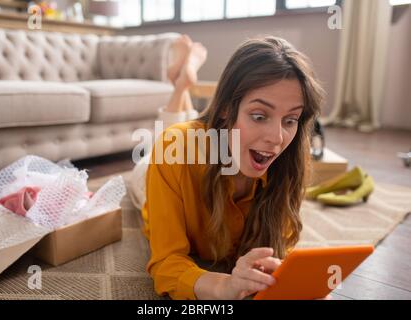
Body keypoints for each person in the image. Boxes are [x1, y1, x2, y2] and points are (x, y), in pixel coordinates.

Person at [128, 34, 324, 300]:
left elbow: (280, 251)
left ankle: (183, 81)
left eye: (290, 120)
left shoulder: (289, 162)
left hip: (214, 138)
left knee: (186, 129)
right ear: (225, 109)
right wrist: (224, 286)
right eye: (259, 116)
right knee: (168, 138)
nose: (277, 139)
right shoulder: (174, 151)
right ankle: (182, 84)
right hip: (150, 170)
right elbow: (166, 263)